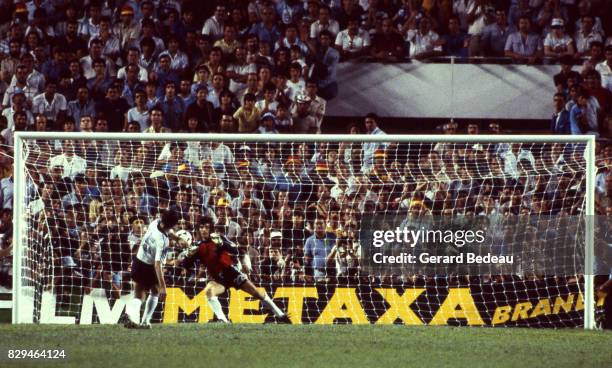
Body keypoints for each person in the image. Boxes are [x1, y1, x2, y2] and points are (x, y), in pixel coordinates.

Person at [180, 217, 290, 323]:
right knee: (209, 291)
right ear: (198, 229)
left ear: (211, 229)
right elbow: (186, 266)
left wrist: (223, 244)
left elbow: (236, 250)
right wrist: (188, 256)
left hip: (232, 273)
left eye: (207, 227)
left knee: (257, 293)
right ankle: (222, 320)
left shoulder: (218, 239)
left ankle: (280, 315)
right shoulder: (198, 247)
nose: (204, 230)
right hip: (218, 279)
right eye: (202, 227)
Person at [121, 210, 182, 329]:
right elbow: (158, 264)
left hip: (138, 261)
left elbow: (168, 230)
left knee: (138, 294)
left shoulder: (155, 222)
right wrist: (163, 286)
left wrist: (177, 238)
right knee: (155, 290)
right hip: (149, 267)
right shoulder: (163, 242)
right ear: (173, 225)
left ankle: (131, 314)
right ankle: (144, 320)